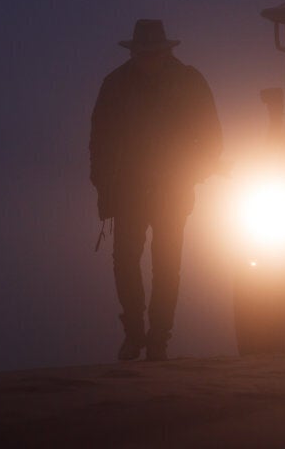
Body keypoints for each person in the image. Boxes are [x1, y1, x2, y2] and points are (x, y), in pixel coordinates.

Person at [89, 19, 222, 361]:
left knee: (165, 264)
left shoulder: (187, 82)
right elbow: (100, 141)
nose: (146, 59)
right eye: (142, 53)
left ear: (164, 52)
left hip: (170, 188)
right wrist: (104, 186)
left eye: (151, 53)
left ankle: (157, 337)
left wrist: (194, 171)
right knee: (127, 263)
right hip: (130, 190)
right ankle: (136, 333)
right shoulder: (115, 85)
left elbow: (210, 136)